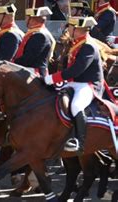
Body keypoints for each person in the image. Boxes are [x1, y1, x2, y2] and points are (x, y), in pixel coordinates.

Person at [44, 16, 104, 154]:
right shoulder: (76, 43)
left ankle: (79, 142)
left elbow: (77, 70)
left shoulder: (88, 45)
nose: (68, 29)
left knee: (76, 105)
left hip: (88, 84)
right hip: (74, 83)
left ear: (78, 29)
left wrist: (53, 78)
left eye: (70, 27)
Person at [14, 6, 55, 76]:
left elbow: (29, 58)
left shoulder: (40, 36)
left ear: (32, 20)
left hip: (34, 73)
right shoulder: (34, 33)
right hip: (27, 70)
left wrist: (12, 63)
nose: (25, 20)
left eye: (27, 18)